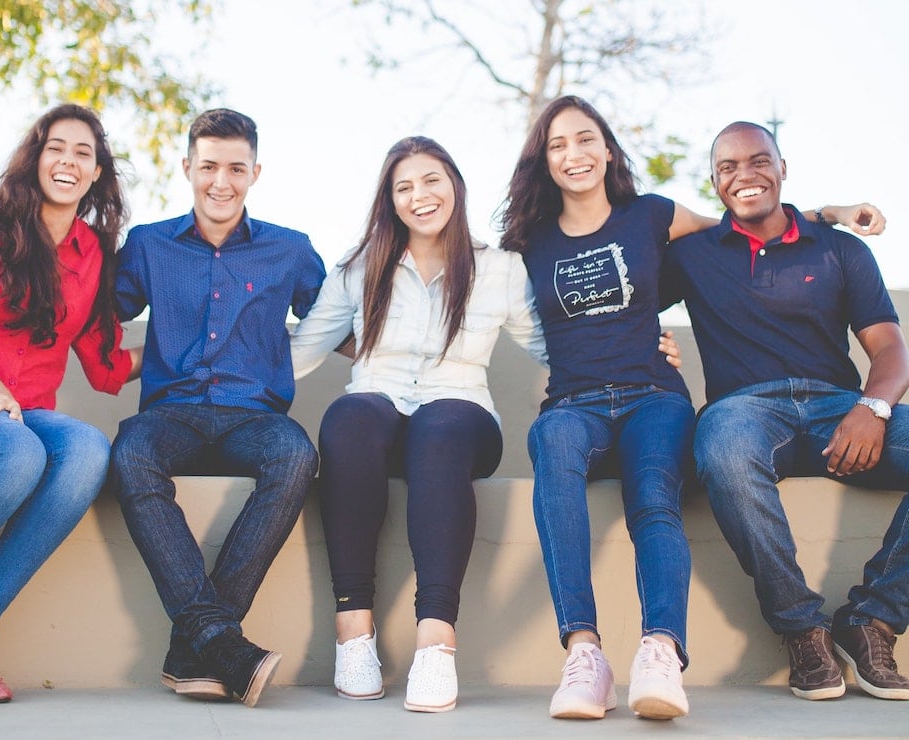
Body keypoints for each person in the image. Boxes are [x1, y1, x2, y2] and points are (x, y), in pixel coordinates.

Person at [497, 95, 883, 721]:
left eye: (586, 138)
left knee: (654, 494)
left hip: (654, 395)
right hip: (572, 402)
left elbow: (745, 226)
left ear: (608, 149)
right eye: (559, 144)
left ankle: (660, 652)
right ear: (542, 160)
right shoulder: (526, 242)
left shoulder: (652, 216)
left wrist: (830, 212)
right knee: (554, 450)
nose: (575, 154)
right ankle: (584, 653)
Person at [289, 136, 554, 713]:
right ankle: (354, 630)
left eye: (431, 180)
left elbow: (550, 346)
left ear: (454, 184)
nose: (420, 196)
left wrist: (634, 351)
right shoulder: (359, 269)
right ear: (390, 201)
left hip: (461, 415)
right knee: (350, 416)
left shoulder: (500, 269)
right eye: (403, 187)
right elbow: (300, 351)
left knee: (439, 429)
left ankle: (436, 640)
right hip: (377, 411)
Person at [662, 120, 909, 703]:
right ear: (715, 183)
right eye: (727, 168)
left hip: (840, 410)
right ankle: (803, 630)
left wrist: (873, 408)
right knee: (721, 449)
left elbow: (890, 348)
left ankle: (872, 620)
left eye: (758, 161)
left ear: (782, 168)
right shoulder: (692, 255)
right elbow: (621, 276)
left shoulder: (839, 248)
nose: (744, 175)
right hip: (743, 411)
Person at [0, 104, 140, 706]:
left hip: (22, 410)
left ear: (96, 174)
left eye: (83, 153)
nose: (67, 160)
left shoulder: (92, 253)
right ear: (35, 157)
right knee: (15, 454)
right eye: (55, 147)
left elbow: (106, 364)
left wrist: (198, 346)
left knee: (87, 450)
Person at [109, 108, 325, 708]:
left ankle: (198, 646)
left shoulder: (291, 250)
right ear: (187, 168)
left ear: (256, 172)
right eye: (208, 167)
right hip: (169, 415)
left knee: (296, 456)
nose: (221, 182)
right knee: (129, 454)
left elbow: (344, 319)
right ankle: (222, 644)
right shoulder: (149, 244)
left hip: (255, 418)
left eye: (236, 168)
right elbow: (96, 312)